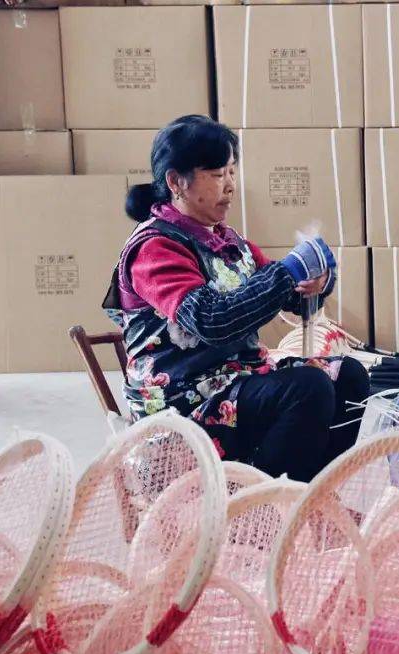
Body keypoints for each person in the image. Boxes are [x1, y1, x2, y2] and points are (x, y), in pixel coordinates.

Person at [103, 115, 370, 482]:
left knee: (349, 375)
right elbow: (211, 320)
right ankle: (261, 503)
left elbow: (284, 294)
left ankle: (309, 492)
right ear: (176, 182)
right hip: (181, 398)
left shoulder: (226, 241)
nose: (230, 185)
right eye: (217, 174)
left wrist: (315, 281)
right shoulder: (155, 248)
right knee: (307, 389)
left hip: (233, 377)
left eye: (232, 171)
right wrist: (287, 272)